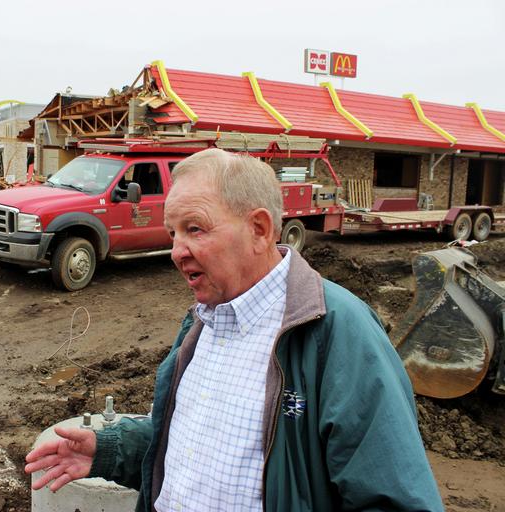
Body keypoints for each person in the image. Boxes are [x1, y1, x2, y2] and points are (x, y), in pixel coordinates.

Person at [25, 148, 443, 511]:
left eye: (195, 228)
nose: (176, 252)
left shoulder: (335, 332)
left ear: (259, 230)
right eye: (173, 232)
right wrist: (111, 449)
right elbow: (194, 443)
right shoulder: (203, 320)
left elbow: (395, 500)